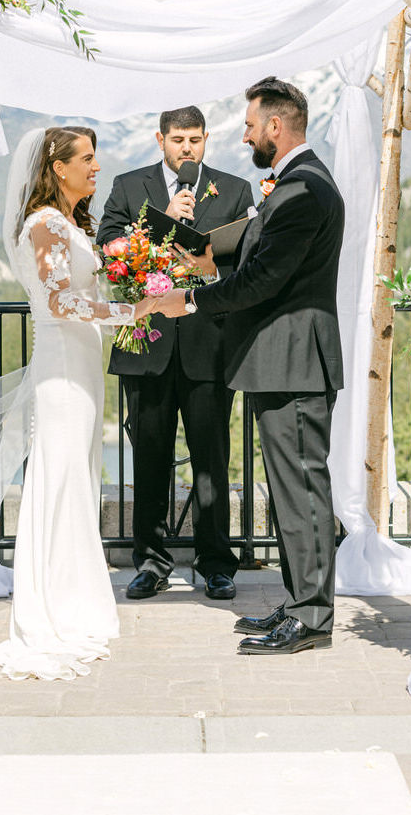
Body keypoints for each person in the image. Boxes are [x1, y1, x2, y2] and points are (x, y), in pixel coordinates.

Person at [156, 77, 344, 655]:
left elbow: (265, 281)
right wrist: (215, 262)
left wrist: (189, 299)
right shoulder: (293, 185)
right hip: (279, 362)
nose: (243, 135)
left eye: (249, 125)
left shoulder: (304, 190)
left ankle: (312, 618)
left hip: (294, 363)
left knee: (304, 493)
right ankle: (298, 602)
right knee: (291, 492)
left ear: (275, 127)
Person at [0, 126, 160, 681]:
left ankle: (75, 597)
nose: (96, 167)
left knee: (78, 477)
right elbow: (60, 303)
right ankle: (50, 607)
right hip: (61, 368)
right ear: (58, 167)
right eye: (87, 159)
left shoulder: (70, 223)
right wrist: (135, 313)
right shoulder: (45, 223)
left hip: (83, 364)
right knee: (58, 478)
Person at [97, 107, 254, 601]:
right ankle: (150, 561)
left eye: (195, 140)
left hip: (209, 344)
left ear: (206, 139)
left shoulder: (234, 190)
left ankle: (216, 564)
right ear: (160, 139)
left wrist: (210, 269)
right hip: (148, 344)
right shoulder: (129, 186)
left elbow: (246, 264)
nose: (187, 148)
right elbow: (107, 247)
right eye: (177, 139)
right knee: (149, 456)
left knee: (212, 458)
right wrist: (165, 223)